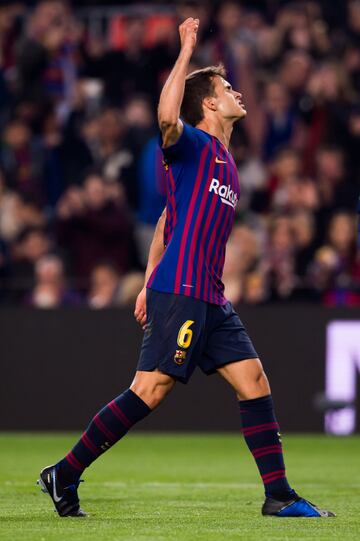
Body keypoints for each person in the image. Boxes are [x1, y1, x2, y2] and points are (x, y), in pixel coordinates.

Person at [38, 18, 334, 519]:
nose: (237, 92)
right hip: (183, 289)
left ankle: (279, 495)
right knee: (149, 390)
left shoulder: (225, 161)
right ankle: (64, 473)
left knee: (254, 380)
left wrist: (146, 279)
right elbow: (166, 117)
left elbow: (163, 223)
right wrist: (186, 51)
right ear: (211, 104)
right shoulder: (193, 144)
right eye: (227, 88)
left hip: (210, 296)